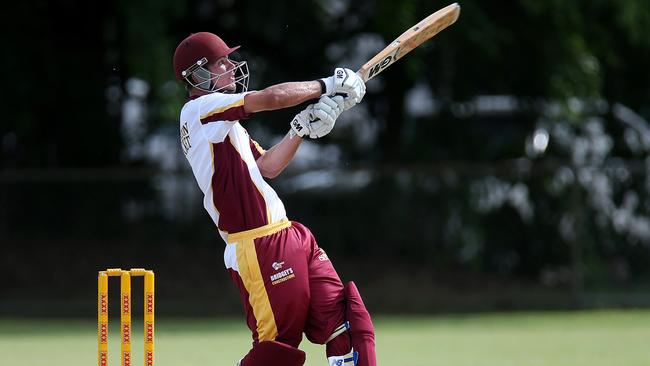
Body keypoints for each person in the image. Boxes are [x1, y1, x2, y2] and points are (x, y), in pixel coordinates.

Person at [173, 32, 377, 366]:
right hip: (257, 245)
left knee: (347, 322)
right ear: (197, 74)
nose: (230, 65)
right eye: (221, 62)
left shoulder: (224, 125)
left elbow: (268, 166)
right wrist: (328, 84)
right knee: (276, 351)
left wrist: (300, 129)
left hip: (290, 234)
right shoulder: (198, 110)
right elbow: (270, 97)